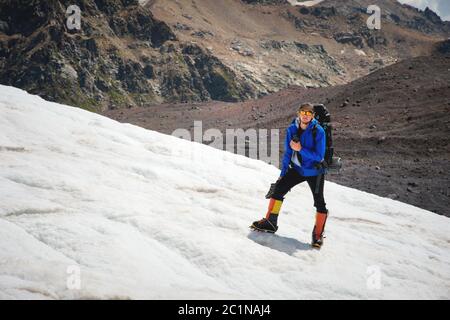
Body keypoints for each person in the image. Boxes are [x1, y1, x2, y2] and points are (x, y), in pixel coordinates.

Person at [251, 103, 329, 248]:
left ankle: (317, 235)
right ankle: (270, 223)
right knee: (278, 189)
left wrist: (300, 149)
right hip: (298, 169)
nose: (305, 115)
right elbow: (288, 153)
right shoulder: (292, 129)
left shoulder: (318, 131)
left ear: (312, 115)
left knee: (319, 202)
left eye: (309, 113)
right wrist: (283, 174)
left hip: (315, 171)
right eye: (303, 112)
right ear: (299, 113)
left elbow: (319, 156)